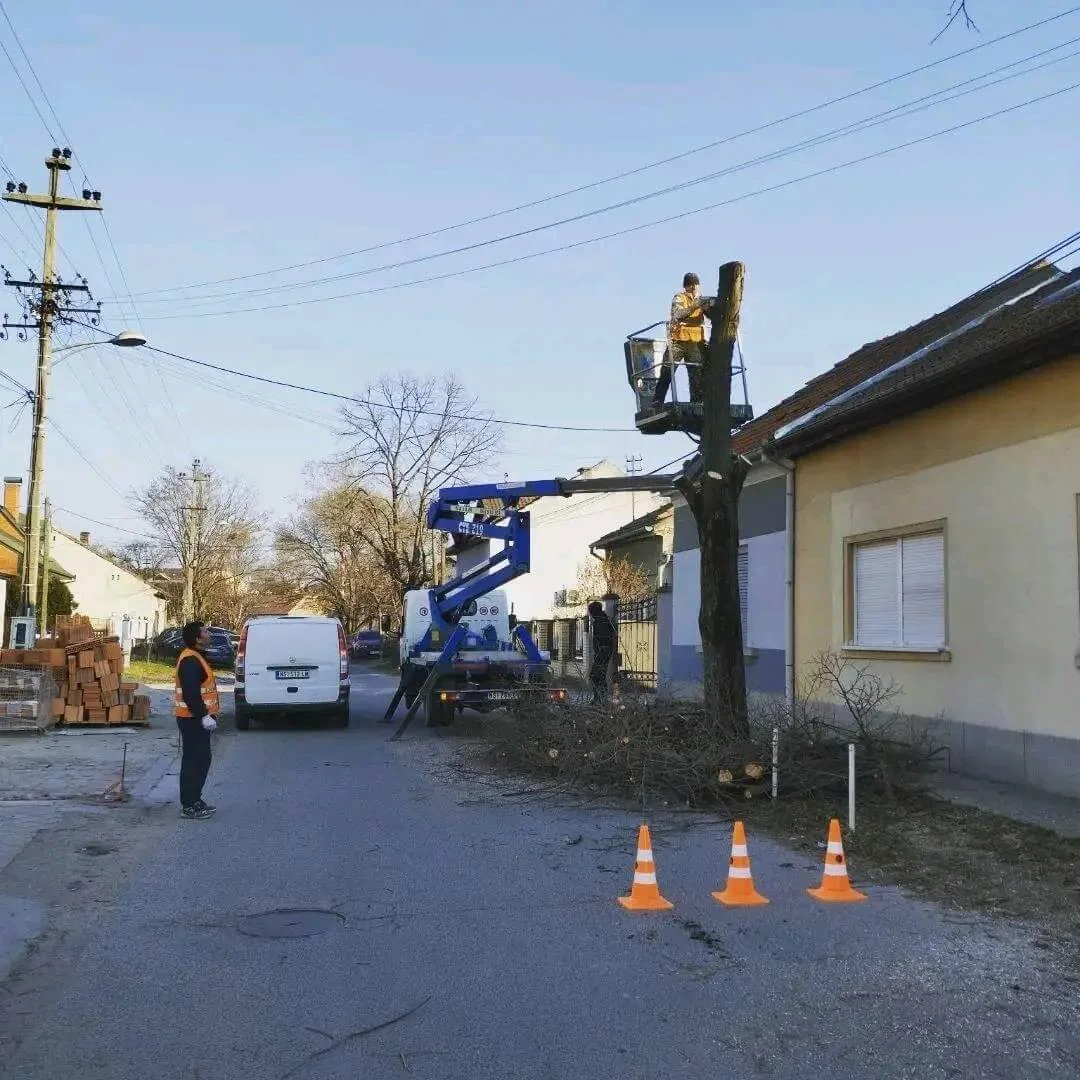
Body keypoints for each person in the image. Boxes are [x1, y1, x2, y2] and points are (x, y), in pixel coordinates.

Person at [174, 620, 220, 820]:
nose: (209, 633)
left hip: (197, 719)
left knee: (202, 760)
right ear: (197, 638)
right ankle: (189, 805)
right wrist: (204, 716)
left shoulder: (197, 656)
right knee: (194, 761)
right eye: (205, 631)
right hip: (192, 719)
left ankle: (195, 799)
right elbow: (191, 694)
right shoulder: (190, 661)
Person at [652, 271, 709, 406]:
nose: (695, 288)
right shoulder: (679, 298)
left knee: (696, 372)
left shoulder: (701, 300)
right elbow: (678, 314)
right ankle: (658, 399)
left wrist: (711, 306)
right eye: (692, 285)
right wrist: (695, 306)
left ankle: (697, 401)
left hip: (695, 341)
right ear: (687, 286)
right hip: (678, 340)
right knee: (668, 369)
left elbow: (709, 315)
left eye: (696, 285)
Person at [587, 601, 616, 705]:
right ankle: (600, 699)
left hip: (603, 653)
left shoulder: (601, 621)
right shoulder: (603, 619)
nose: (590, 613)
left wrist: (599, 653)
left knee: (595, 675)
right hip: (602, 653)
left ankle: (600, 699)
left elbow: (604, 640)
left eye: (590, 611)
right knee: (599, 676)